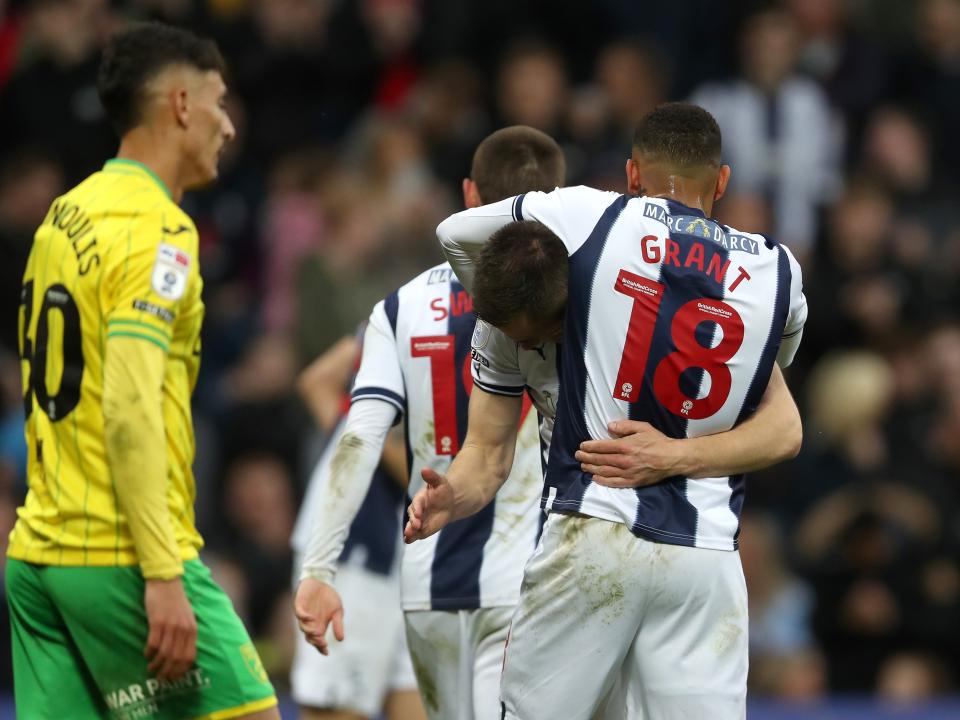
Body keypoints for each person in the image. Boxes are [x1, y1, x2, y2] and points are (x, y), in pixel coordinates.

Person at [411, 102, 808, 719]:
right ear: (722, 182)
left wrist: (508, 313)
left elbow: (455, 231)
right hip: (704, 560)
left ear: (631, 173)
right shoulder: (777, 269)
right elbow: (779, 418)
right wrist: (678, 452)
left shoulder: (593, 217)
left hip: (593, 528)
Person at [6, 22, 279, 720]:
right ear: (181, 104)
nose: (228, 126)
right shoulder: (159, 230)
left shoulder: (64, 215)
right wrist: (162, 573)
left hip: (39, 554)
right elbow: (128, 405)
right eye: (219, 102)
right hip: (118, 552)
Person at [294, 126, 562, 720]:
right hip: (523, 581)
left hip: (424, 582)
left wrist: (317, 568)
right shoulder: (568, 304)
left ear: (469, 195)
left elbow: (358, 438)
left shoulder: (400, 307)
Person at [291, 334, 425, 720]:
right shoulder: (413, 323)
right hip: (354, 546)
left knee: (417, 697)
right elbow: (317, 382)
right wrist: (363, 442)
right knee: (337, 707)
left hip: (415, 550)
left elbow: (317, 380)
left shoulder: (396, 320)